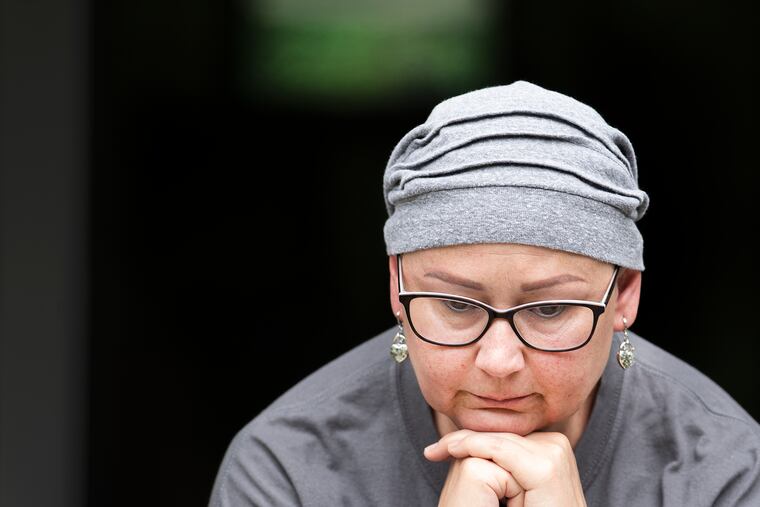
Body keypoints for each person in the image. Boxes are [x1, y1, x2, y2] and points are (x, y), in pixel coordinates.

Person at [208, 81, 760, 506]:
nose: (498, 362)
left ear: (624, 296)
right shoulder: (287, 471)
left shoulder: (726, 471)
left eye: (549, 309)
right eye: (456, 305)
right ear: (397, 287)